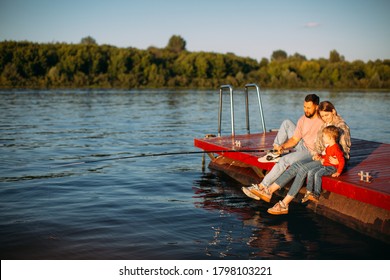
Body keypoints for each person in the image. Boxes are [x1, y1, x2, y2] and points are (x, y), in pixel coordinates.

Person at [251, 101, 351, 215]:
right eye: (322, 116)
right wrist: (317, 154)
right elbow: (319, 145)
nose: (325, 118)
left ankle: (284, 203)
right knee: (295, 165)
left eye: (327, 115)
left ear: (333, 111)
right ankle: (269, 191)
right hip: (321, 157)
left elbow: (345, 151)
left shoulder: (341, 127)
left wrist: (338, 161)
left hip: (332, 162)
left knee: (302, 169)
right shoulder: (324, 125)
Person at [242, 94, 323, 200]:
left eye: (309, 108)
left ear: (316, 107)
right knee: (287, 123)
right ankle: (275, 151)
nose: (306, 110)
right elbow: (294, 139)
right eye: (304, 107)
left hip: (312, 152)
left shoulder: (323, 119)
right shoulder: (303, 119)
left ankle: (262, 187)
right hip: (303, 145)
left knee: (285, 160)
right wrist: (282, 146)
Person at [300, 125, 345, 203]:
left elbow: (342, 160)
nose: (323, 138)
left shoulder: (336, 148)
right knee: (310, 171)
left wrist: (338, 172)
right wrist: (320, 156)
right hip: (325, 165)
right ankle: (309, 191)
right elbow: (326, 156)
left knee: (318, 174)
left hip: (332, 167)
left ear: (330, 137)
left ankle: (316, 195)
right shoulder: (329, 147)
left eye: (324, 136)